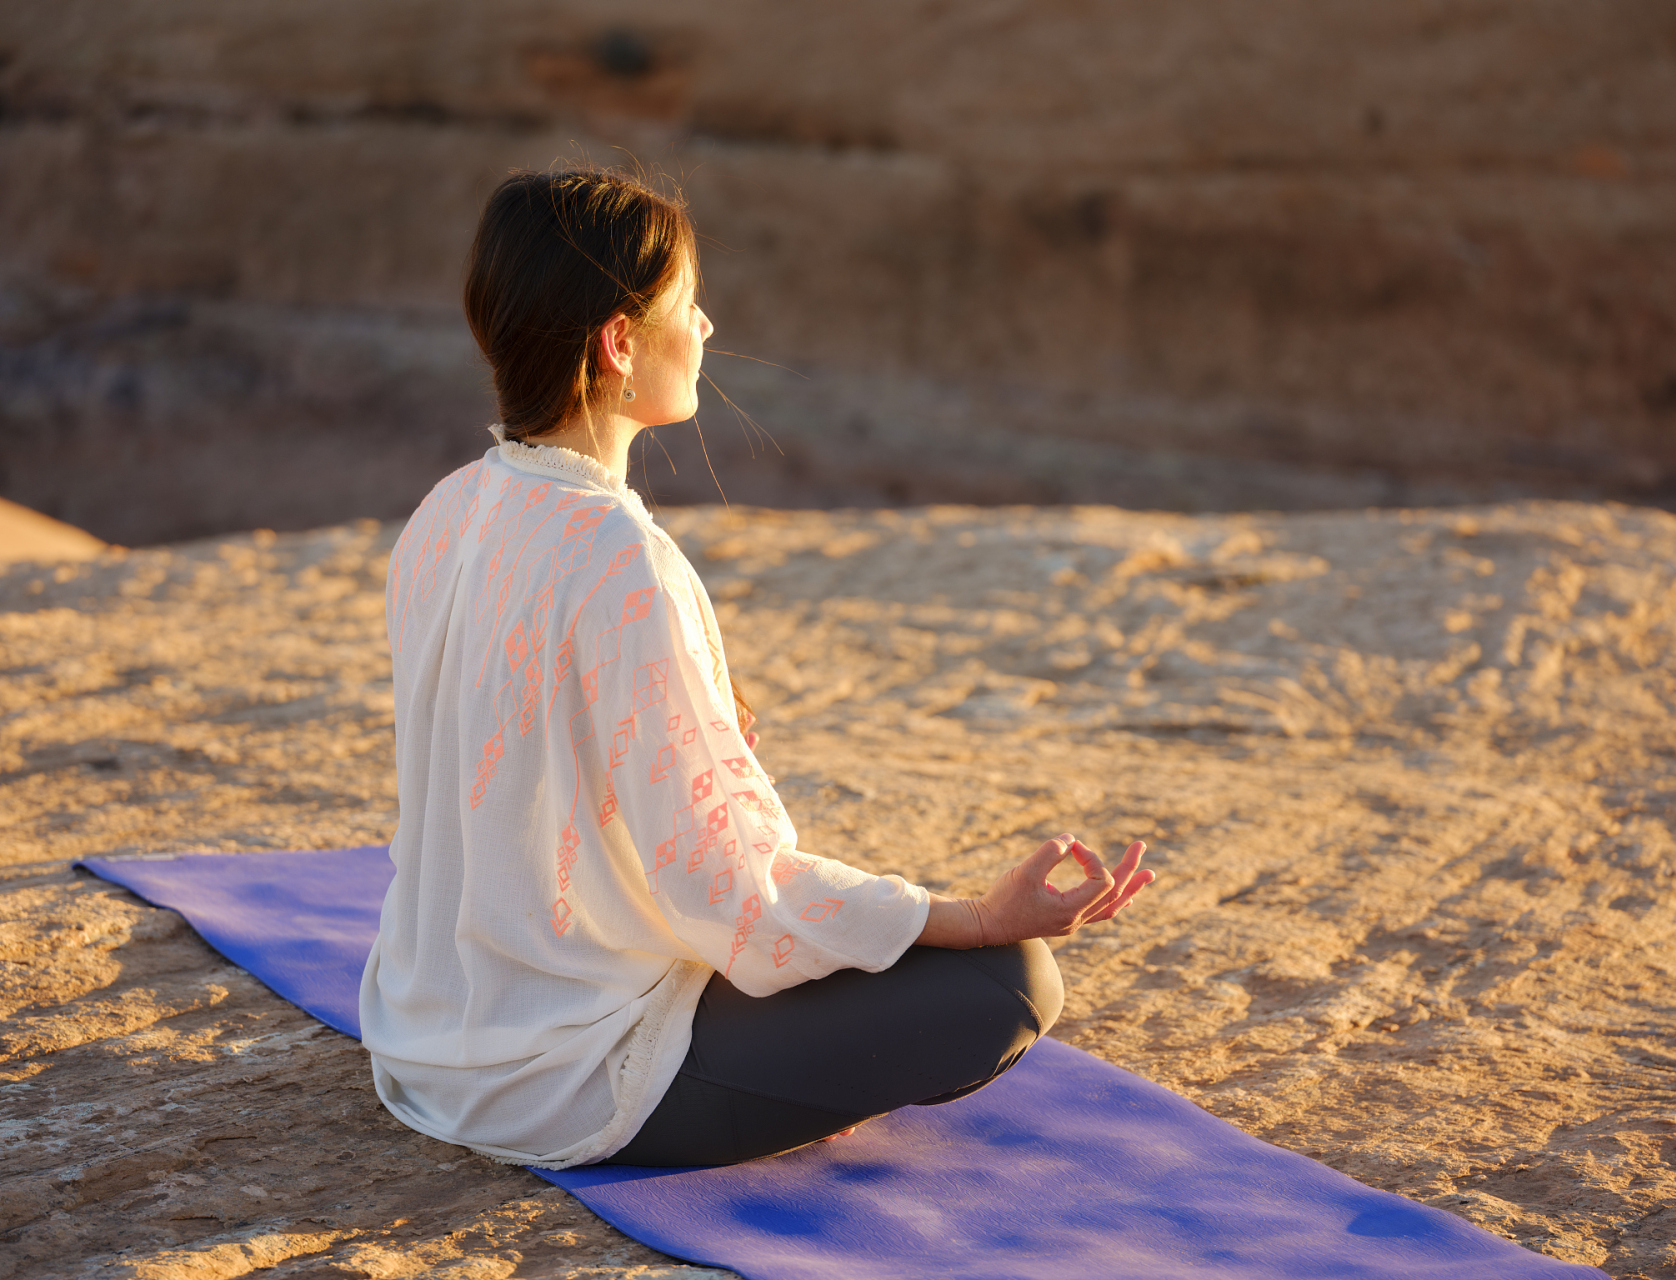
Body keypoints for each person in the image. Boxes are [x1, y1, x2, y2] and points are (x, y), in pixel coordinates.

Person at [359, 167, 1155, 1169]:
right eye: (686, 306)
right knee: (1010, 985)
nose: (705, 326)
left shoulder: (445, 511)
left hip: (424, 1037)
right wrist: (976, 917)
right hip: (564, 1077)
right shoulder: (622, 558)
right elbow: (735, 888)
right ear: (618, 343)